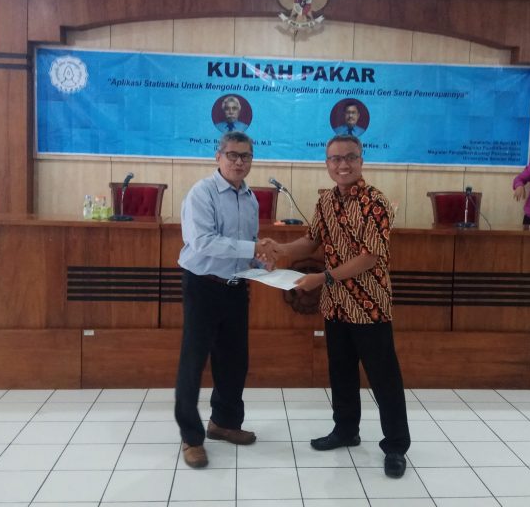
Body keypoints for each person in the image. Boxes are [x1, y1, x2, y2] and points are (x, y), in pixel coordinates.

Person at [269, 134, 410, 479]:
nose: (342, 164)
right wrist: (281, 249)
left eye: (349, 157)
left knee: (383, 378)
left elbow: (370, 257)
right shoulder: (326, 201)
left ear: (361, 160)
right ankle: (346, 430)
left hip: (370, 305)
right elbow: (312, 240)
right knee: (341, 372)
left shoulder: (376, 201)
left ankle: (395, 445)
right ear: (327, 163)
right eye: (335, 159)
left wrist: (321, 278)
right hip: (336, 305)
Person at [175, 131, 276, 468]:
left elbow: (245, 246)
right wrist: (253, 247)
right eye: (232, 155)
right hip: (202, 286)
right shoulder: (201, 193)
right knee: (193, 362)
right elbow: (203, 242)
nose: (238, 162)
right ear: (218, 156)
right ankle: (191, 437)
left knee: (234, 361)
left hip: (235, 287)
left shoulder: (250, 198)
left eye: (245, 156)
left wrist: (260, 261)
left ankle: (224, 423)